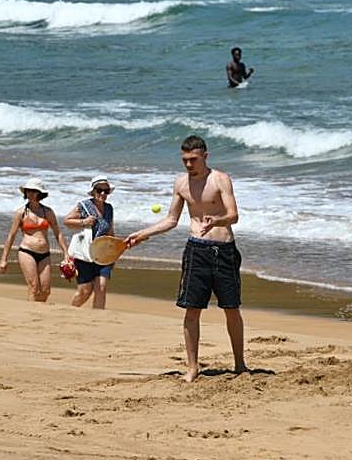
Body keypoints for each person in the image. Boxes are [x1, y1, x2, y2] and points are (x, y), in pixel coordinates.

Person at [125, 136, 245, 382]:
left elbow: (234, 215)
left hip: (224, 250)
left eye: (193, 159)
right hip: (196, 251)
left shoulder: (220, 179)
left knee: (231, 309)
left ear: (205, 157)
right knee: (192, 311)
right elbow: (171, 220)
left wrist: (218, 220)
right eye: (185, 160)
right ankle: (192, 367)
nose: (189, 165)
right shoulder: (181, 183)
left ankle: (240, 364)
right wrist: (143, 234)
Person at [0, 178, 69, 302]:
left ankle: (39, 311)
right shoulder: (21, 213)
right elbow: (11, 236)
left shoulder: (47, 212)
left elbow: (58, 233)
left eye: (34, 191)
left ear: (39, 193)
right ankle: (30, 315)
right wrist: (4, 259)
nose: (30, 193)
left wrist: (66, 254)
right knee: (34, 287)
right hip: (27, 251)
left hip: (45, 254)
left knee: (46, 290)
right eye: (28, 191)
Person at [66, 177, 116, 309]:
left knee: (101, 287)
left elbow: (110, 230)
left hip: (103, 254)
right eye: (100, 190)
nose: (103, 194)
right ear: (93, 191)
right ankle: (70, 311)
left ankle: (98, 317)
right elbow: (67, 221)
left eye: (106, 191)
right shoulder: (83, 206)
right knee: (85, 291)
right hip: (85, 254)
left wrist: (114, 253)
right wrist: (84, 222)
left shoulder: (109, 208)